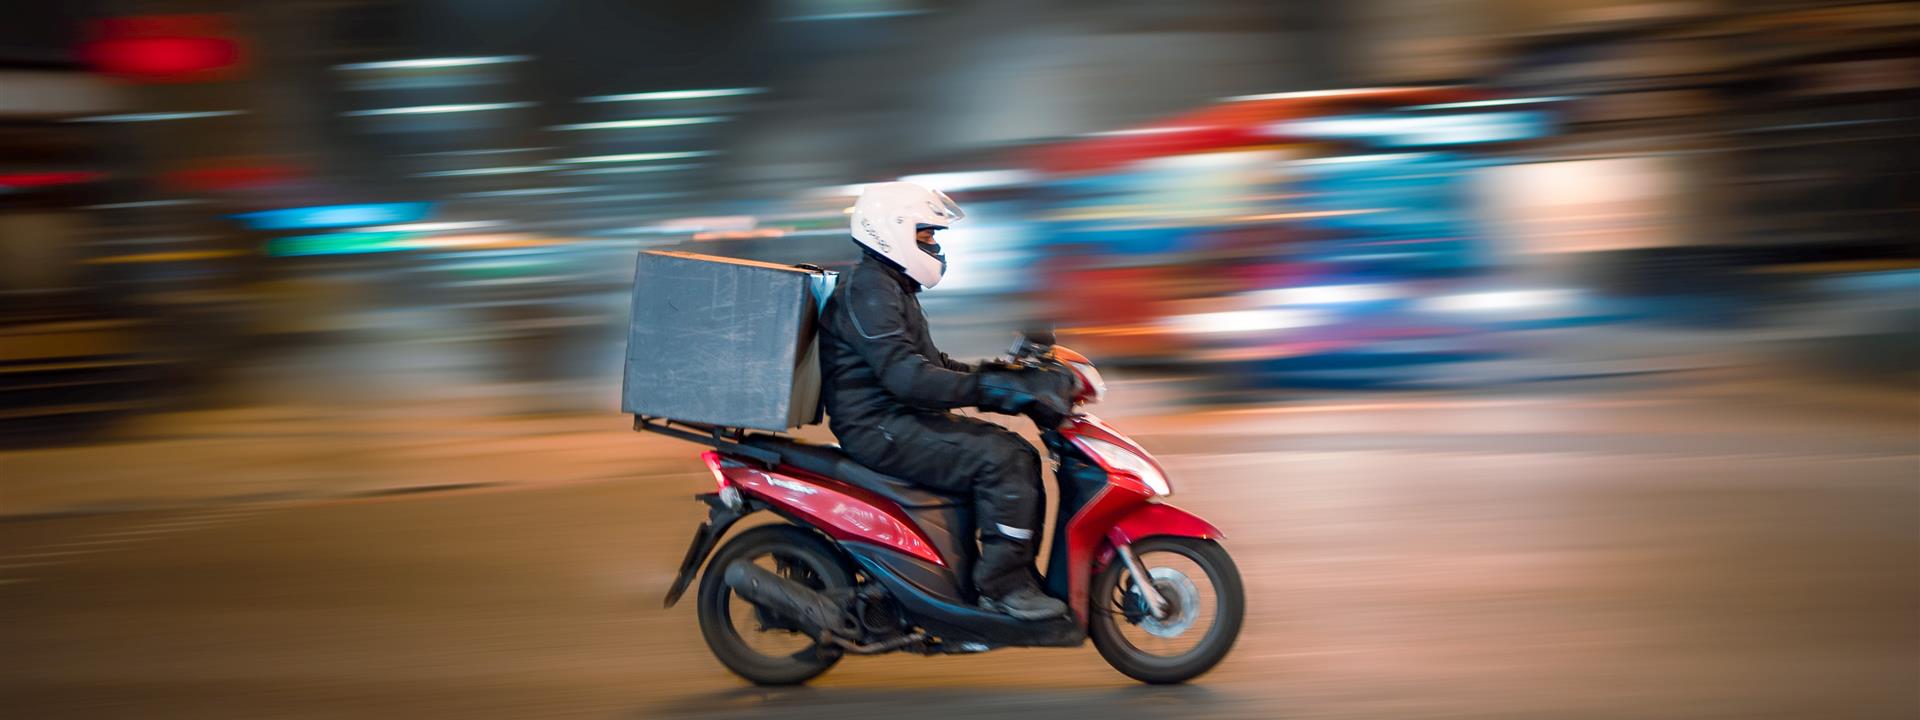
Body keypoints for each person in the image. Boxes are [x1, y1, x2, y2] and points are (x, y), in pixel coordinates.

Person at [817, 182, 1078, 620]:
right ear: (892, 230)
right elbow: (908, 379)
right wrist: (991, 390)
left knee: (1008, 451)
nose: (934, 245)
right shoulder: (870, 289)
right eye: (926, 235)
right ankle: (1002, 586)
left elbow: (933, 364)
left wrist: (1004, 377)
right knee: (1005, 457)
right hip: (880, 426)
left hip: (893, 419)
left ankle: (992, 574)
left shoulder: (888, 286)